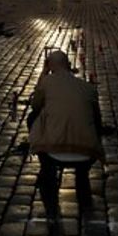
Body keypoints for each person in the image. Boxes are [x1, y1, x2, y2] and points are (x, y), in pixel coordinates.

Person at [28, 50, 104, 222]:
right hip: (86, 151)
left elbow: (35, 106)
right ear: (69, 66)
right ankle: (83, 183)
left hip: (53, 151)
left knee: (33, 118)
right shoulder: (88, 88)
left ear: (49, 65)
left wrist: (43, 73)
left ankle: (46, 169)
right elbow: (98, 121)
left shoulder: (46, 82)